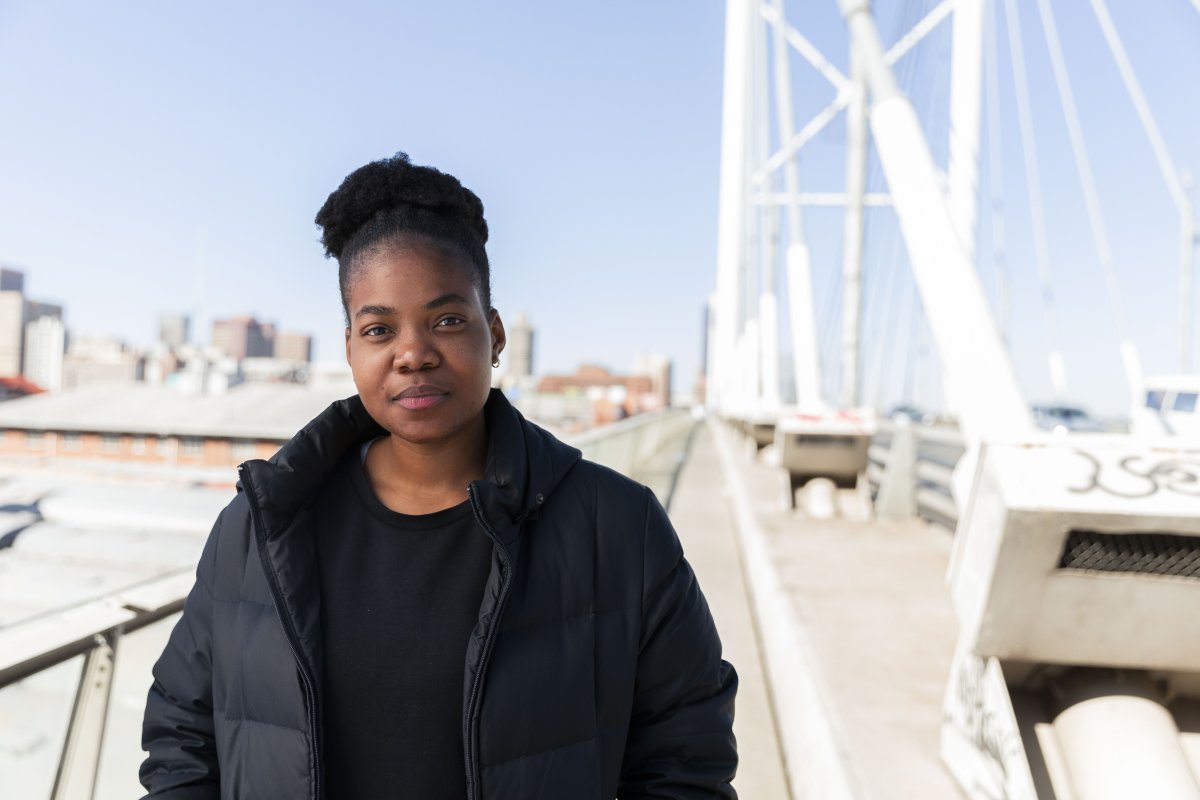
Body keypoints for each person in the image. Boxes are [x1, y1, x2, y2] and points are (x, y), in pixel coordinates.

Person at [139, 153, 738, 799]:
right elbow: (182, 736)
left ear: (495, 334)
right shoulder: (261, 526)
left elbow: (686, 762)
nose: (413, 354)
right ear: (350, 349)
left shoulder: (617, 527)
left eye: (448, 320)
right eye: (379, 329)